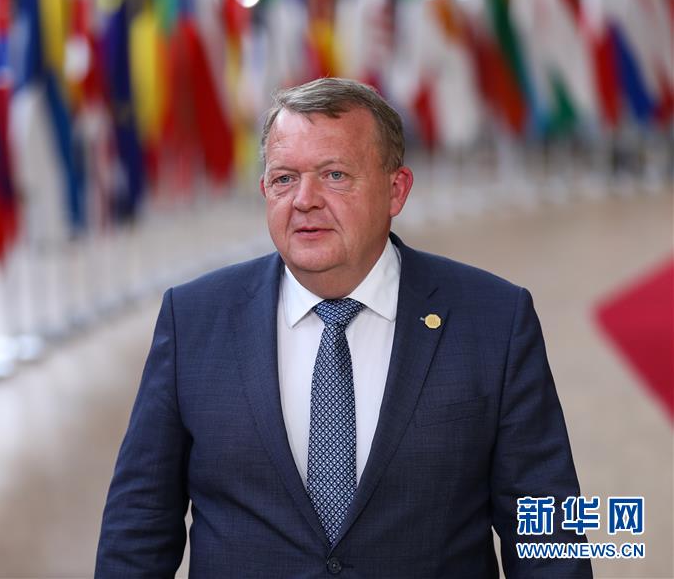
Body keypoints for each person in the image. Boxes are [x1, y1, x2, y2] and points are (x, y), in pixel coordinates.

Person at [96, 77, 590, 578]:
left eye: (334, 175)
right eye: (284, 179)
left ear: (396, 190)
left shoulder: (494, 320)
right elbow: (139, 526)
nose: (304, 200)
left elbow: (547, 535)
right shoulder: (193, 320)